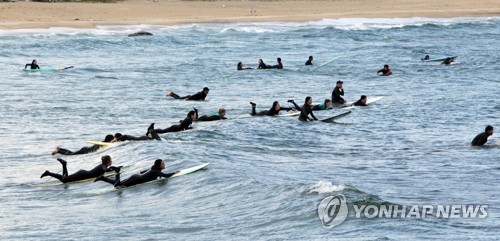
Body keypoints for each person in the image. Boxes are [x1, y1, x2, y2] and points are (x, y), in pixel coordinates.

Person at [95, 159, 180, 188]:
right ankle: (117, 172)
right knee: (117, 186)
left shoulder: (154, 169)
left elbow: (148, 171)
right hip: (136, 179)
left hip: (136, 177)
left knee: (118, 184)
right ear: (159, 165)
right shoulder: (156, 171)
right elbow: (166, 176)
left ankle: (103, 178)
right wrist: (174, 172)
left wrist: (142, 172)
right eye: (163, 164)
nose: (164, 165)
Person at [40, 155, 120, 183]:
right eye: (111, 160)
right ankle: (48, 173)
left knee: (66, 178)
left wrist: (115, 168)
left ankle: (64, 164)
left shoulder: (103, 165)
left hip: (83, 174)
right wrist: (115, 169)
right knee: (64, 180)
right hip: (82, 175)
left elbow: (108, 169)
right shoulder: (103, 167)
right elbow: (107, 170)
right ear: (108, 161)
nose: (111, 161)